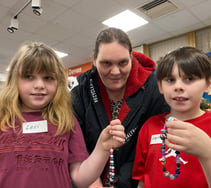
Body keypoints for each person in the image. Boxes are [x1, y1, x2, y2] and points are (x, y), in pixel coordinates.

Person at [0, 42, 125, 188]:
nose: (39, 85)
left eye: (48, 78)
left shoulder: (66, 122)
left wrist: (102, 148)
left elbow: (80, 178)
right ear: (14, 80)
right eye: (29, 76)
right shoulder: (3, 121)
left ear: (58, 82)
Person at [70, 27, 169, 187]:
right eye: (106, 63)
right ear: (94, 60)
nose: (115, 71)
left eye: (123, 63)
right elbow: (77, 146)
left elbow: (155, 145)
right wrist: (93, 182)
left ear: (131, 57)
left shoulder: (155, 89)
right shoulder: (80, 93)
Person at [132, 46, 211, 188]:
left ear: (208, 84)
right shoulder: (149, 127)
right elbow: (142, 179)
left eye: (189, 78)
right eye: (170, 80)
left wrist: (207, 152)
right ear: (160, 87)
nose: (178, 87)